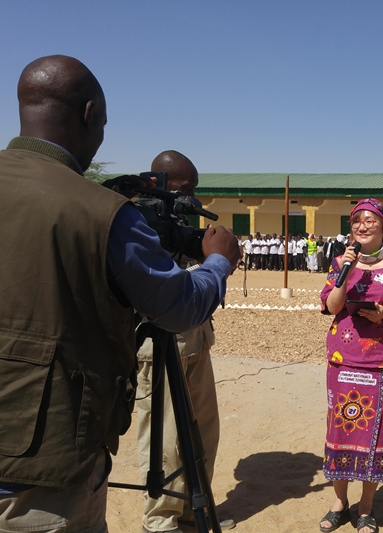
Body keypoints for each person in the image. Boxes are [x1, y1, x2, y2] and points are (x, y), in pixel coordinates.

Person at [0, 55, 240, 533]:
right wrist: (219, 262)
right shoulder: (99, 212)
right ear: (89, 114)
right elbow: (178, 307)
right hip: (45, 467)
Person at [135, 151, 235, 533]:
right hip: (157, 346)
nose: (190, 198)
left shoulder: (178, 225)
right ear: (155, 184)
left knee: (203, 429)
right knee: (164, 438)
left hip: (194, 338)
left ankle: (194, 509)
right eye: (182, 189)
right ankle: (160, 520)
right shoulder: (138, 225)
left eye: (194, 190)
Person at [318, 199, 383, 533]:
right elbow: (332, 307)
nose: (362, 226)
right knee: (342, 430)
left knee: (377, 437)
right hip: (343, 362)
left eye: (370, 220)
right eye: (357, 220)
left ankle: (366, 508)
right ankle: (339, 503)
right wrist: (345, 274)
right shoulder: (339, 263)